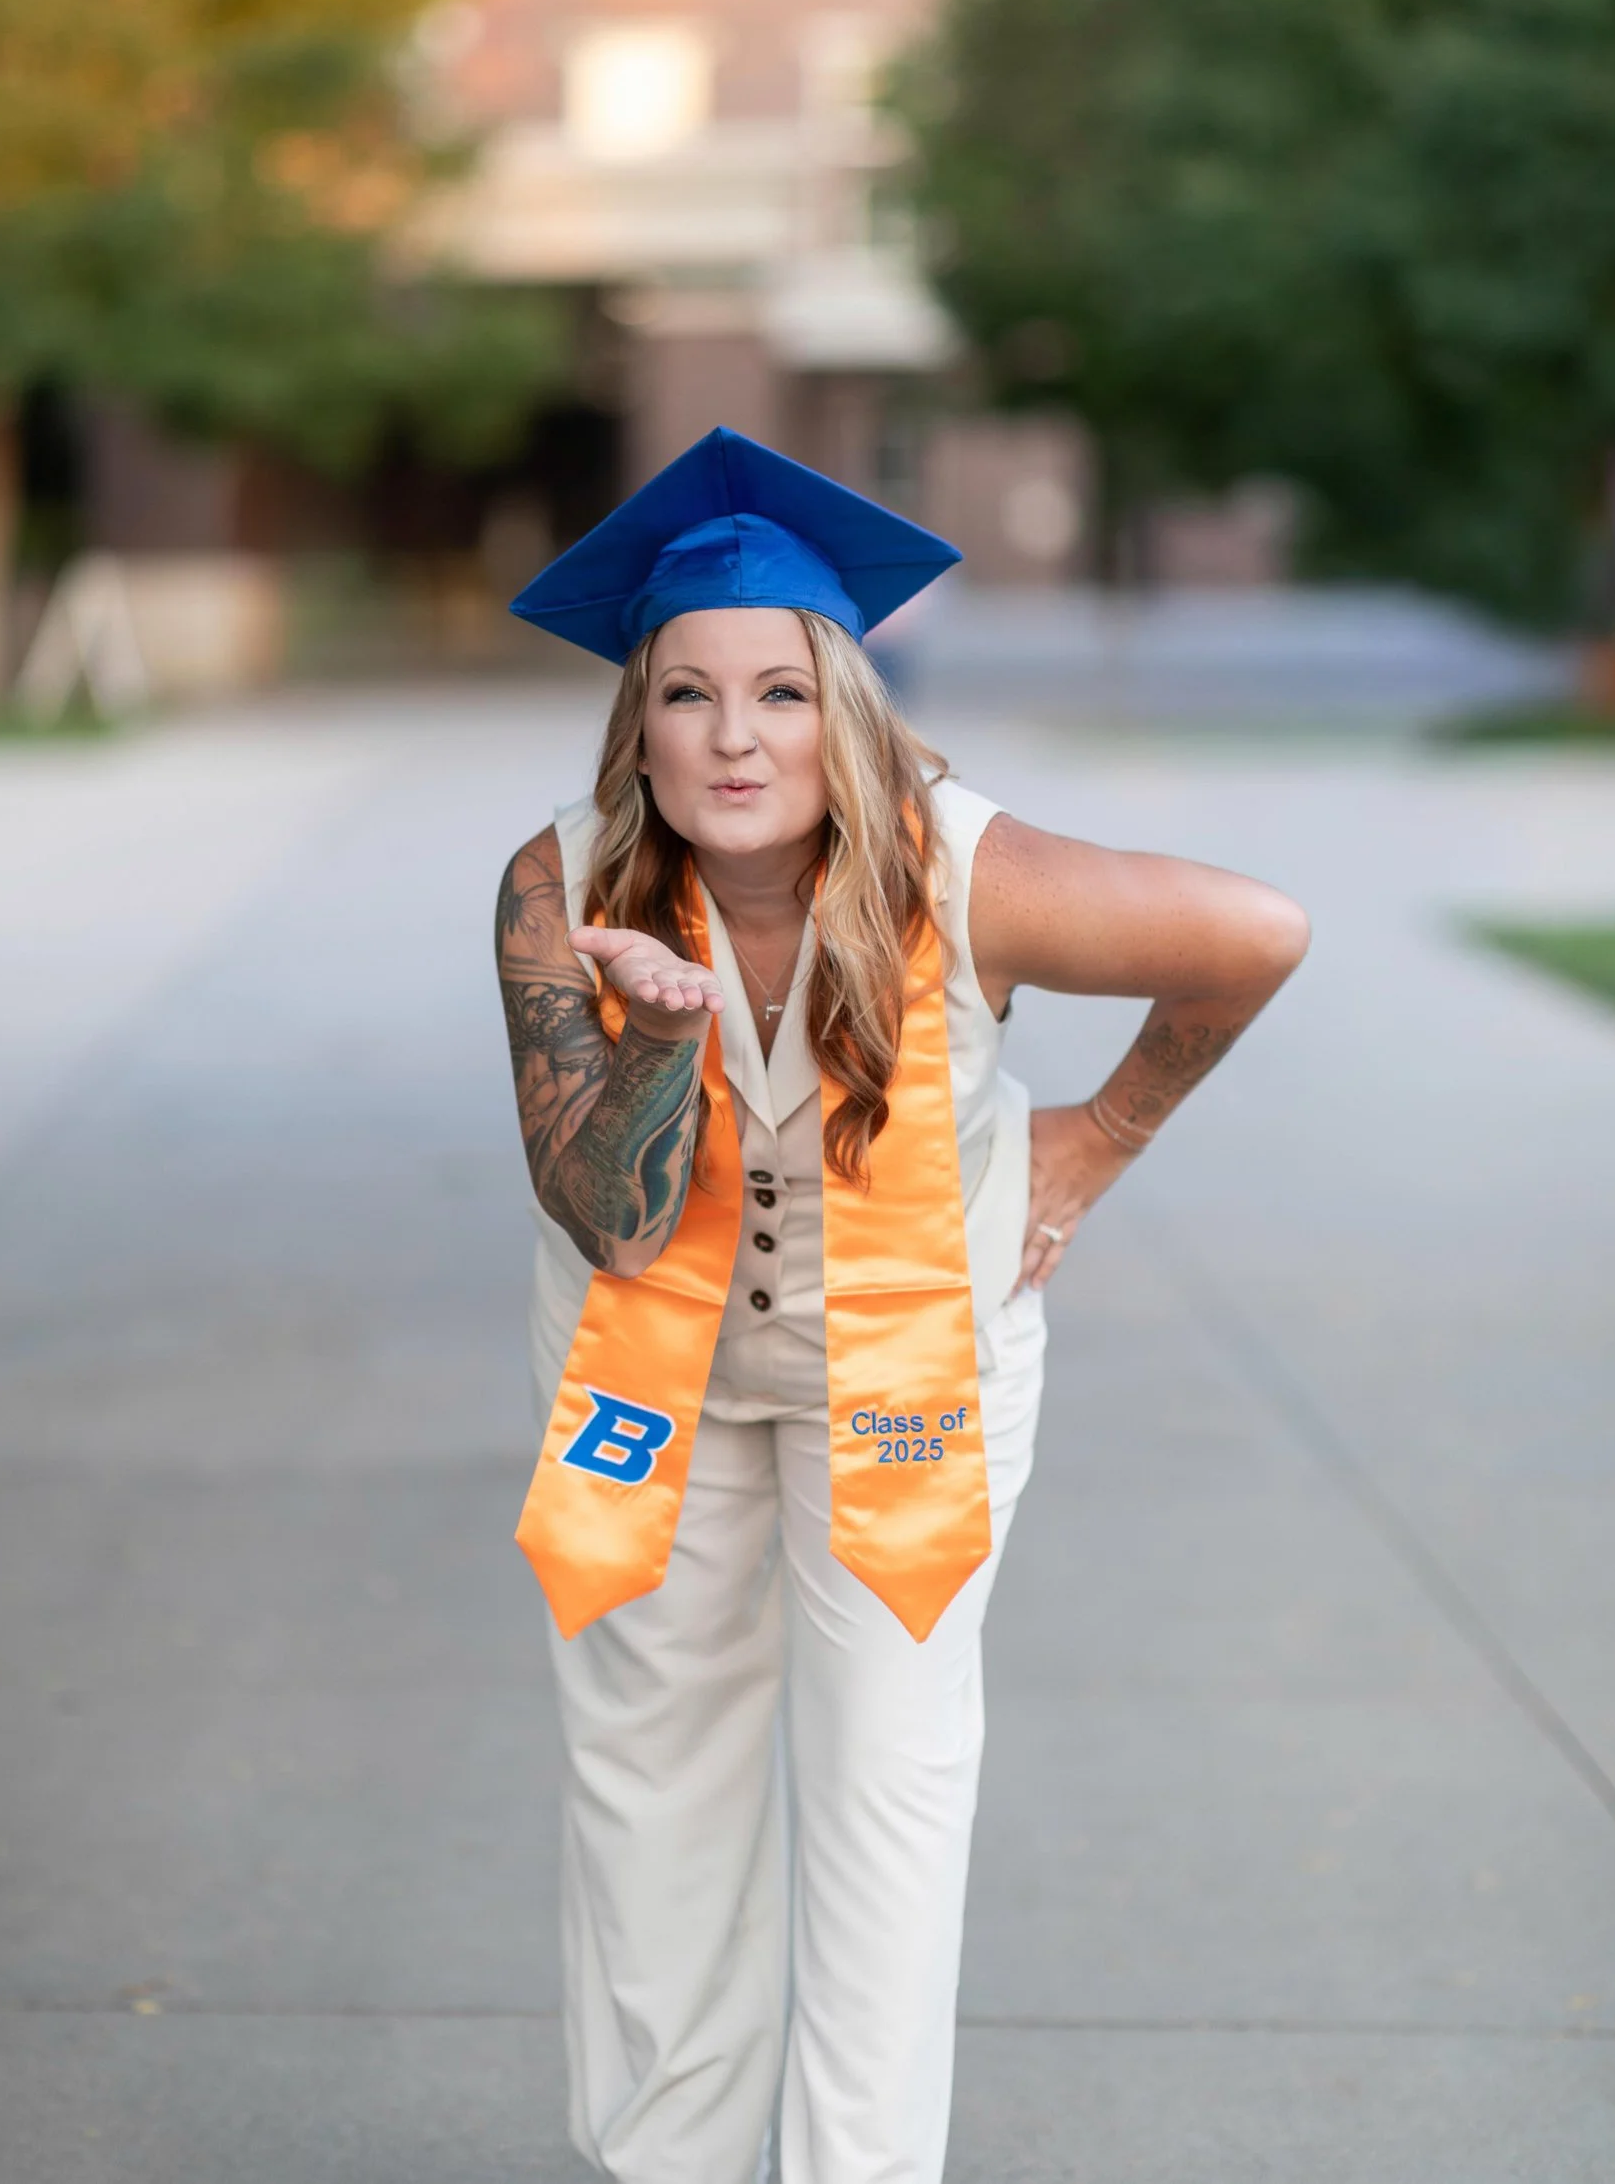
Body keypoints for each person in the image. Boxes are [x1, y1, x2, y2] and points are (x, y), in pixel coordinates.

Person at [494, 427, 1309, 2184]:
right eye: (689, 692)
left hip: (912, 1367)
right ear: (638, 722)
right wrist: (658, 1034)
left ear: (845, 709)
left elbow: (1254, 930)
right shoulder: (560, 882)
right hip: (649, 1368)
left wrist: (1102, 1134)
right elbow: (602, 1206)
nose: (734, 737)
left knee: (886, 1792)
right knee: (651, 1788)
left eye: (780, 691)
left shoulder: (964, 869)